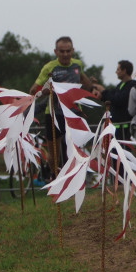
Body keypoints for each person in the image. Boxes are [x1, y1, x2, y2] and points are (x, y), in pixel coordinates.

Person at [28, 36, 104, 172]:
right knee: (54, 154)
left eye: (68, 51)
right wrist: (47, 89)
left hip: (74, 112)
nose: (65, 54)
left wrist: (93, 89)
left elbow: (83, 78)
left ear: (73, 50)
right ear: (56, 52)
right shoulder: (49, 67)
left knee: (74, 148)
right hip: (53, 113)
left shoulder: (77, 64)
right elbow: (34, 90)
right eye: (62, 51)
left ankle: (74, 179)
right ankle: (54, 178)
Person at [100, 60, 136, 143]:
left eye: (118, 69)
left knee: (124, 152)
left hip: (124, 128)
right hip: (115, 128)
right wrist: (101, 95)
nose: (116, 72)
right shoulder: (120, 85)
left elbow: (118, 100)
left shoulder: (131, 86)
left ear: (124, 71)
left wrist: (103, 91)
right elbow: (111, 97)